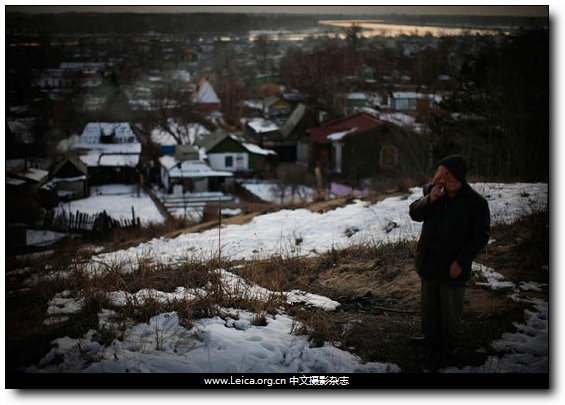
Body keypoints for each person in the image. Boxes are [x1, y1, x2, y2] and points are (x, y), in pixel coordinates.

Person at [408, 155, 490, 355]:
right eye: (440, 174)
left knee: (450, 308)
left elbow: (480, 237)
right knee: (429, 306)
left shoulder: (475, 203)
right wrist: (430, 199)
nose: (442, 180)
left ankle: (449, 348)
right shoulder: (434, 193)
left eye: (448, 176)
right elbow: (415, 213)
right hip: (429, 262)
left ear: (459, 178)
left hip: (453, 265)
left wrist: (461, 262)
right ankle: (429, 338)